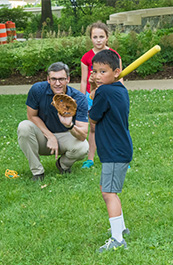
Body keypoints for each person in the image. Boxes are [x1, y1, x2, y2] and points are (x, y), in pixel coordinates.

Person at [87, 50, 133, 253]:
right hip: (119, 149)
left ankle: (117, 239)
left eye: (102, 71)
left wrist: (95, 95)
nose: (97, 75)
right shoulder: (119, 89)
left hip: (114, 151)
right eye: (94, 71)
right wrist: (95, 91)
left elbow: (93, 118)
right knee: (109, 189)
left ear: (116, 72)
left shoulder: (104, 92)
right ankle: (121, 228)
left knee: (109, 193)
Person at [17, 62, 90, 182]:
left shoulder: (79, 98)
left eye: (61, 79)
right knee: (24, 126)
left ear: (68, 79)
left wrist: (69, 125)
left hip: (66, 135)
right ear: (48, 79)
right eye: (53, 79)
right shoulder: (37, 90)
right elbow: (31, 116)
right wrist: (50, 136)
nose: (57, 83)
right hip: (43, 137)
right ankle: (37, 172)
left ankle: (63, 165)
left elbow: (83, 135)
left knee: (83, 147)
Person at [79, 22, 118, 170]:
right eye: (95, 37)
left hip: (110, 95)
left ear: (107, 37)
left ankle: (117, 158)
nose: (98, 40)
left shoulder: (113, 55)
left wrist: (120, 94)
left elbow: (119, 77)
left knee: (113, 127)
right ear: (91, 38)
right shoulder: (86, 57)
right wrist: (83, 99)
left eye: (102, 36)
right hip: (92, 96)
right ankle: (90, 159)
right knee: (94, 128)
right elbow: (84, 80)